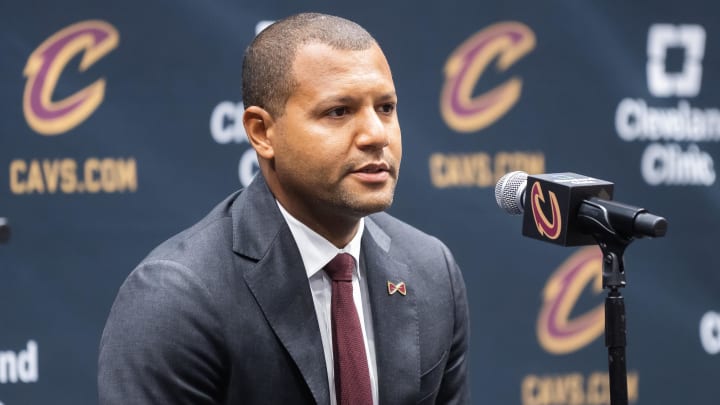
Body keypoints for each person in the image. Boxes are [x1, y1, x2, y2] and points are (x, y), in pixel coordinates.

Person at [98, 12, 469, 405]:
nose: (376, 135)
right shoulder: (176, 298)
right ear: (262, 132)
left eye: (386, 108)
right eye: (338, 111)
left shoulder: (432, 271)